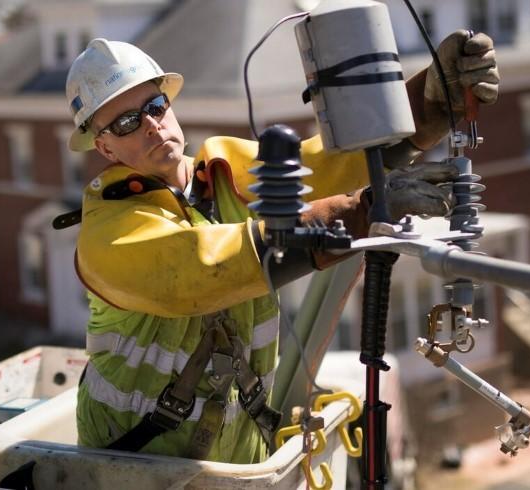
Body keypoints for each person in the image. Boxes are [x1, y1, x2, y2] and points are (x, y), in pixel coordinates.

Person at [63, 29, 499, 463]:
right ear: (103, 146)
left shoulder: (223, 172)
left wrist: (428, 104)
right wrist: (357, 210)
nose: (152, 124)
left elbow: (325, 166)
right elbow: (196, 266)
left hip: (238, 449)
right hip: (132, 461)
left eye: (155, 106)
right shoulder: (109, 229)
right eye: (127, 122)